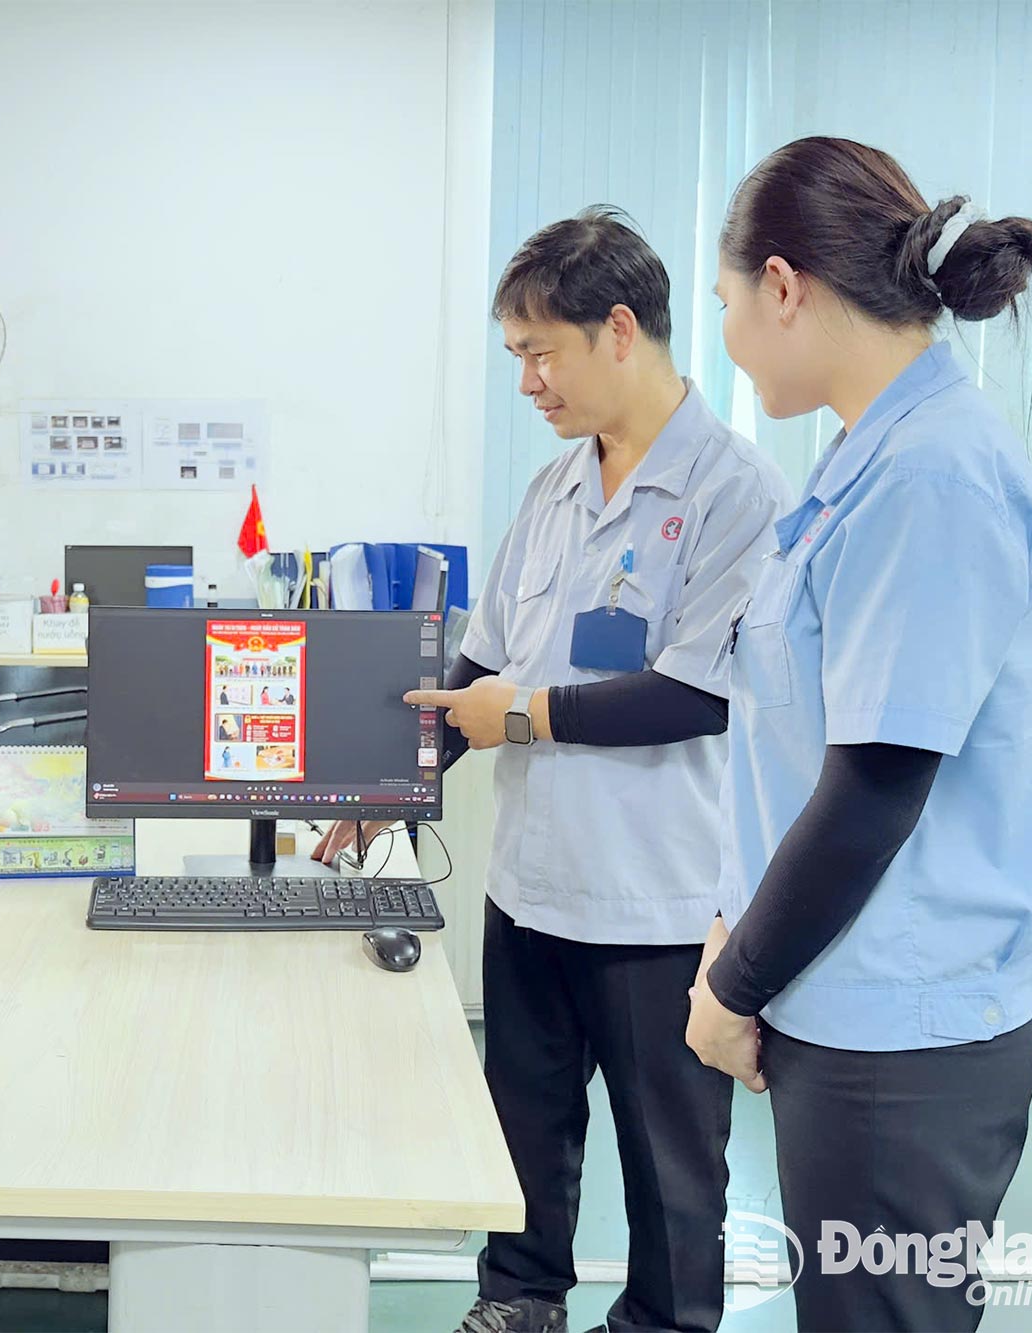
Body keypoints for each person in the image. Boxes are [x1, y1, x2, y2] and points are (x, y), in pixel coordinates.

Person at [320, 208, 788, 1333]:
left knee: (668, 1154)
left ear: (617, 329)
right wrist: (384, 787)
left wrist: (511, 717)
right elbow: (476, 665)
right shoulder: (552, 493)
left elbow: (690, 694)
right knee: (522, 1118)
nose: (526, 380)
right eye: (514, 356)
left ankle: (666, 1321)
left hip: (656, 898)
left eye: (540, 351)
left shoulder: (735, 495)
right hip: (529, 889)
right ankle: (517, 1299)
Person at [689, 137, 1032, 1332]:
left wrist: (729, 981)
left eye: (723, 305)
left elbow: (872, 791)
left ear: (784, 285)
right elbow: (801, 744)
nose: (725, 337)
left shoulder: (930, 479)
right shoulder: (872, 456)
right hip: (847, 1005)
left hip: (895, 1046)